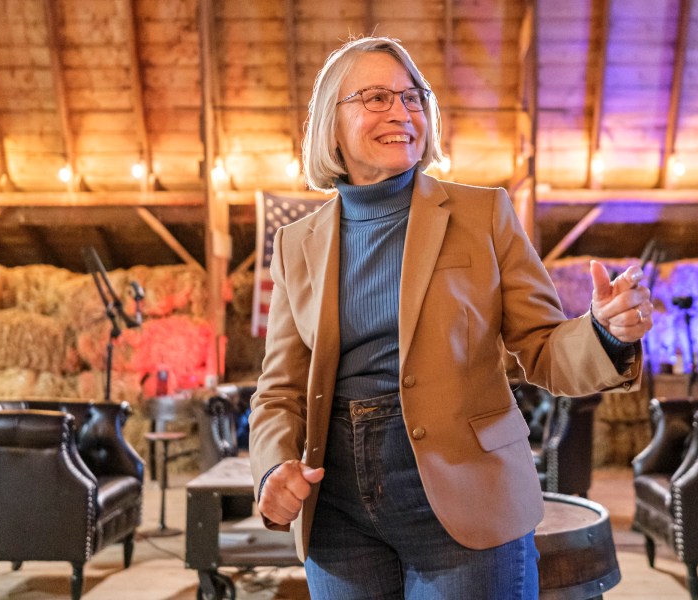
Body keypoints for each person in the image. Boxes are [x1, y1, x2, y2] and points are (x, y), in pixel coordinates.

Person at [249, 36, 653, 599]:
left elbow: (541, 348)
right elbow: (278, 390)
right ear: (330, 123)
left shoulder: (483, 213)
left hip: (467, 498)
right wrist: (272, 468)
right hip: (337, 515)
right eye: (374, 98)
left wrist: (604, 332)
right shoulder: (297, 243)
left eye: (412, 97)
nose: (401, 111)